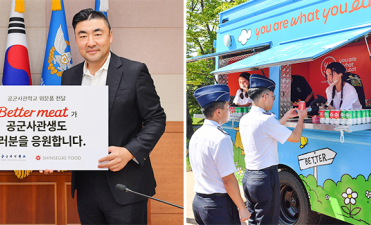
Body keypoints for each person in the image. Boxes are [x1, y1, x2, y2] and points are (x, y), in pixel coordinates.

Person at [55, 8, 165, 224]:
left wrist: (129, 152)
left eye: (97, 34)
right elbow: (67, 123)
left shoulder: (134, 71)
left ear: (110, 36)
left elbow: (156, 119)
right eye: (83, 35)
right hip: (85, 186)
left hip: (125, 185)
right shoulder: (69, 76)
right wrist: (53, 155)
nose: (91, 42)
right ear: (76, 39)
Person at [239, 74, 307, 225]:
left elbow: (269, 131)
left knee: (254, 221)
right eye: (272, 96)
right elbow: (295, 137)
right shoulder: (266, 120)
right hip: (265, 178)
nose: (272, 99)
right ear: (264, 96)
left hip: (249, 177)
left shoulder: (245, 119)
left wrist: (286, 117)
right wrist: (301, 118)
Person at [190, 84, 251, 225]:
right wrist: (242, 207)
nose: (230, 110)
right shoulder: (221, 138)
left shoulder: (197, 134)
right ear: (218, 112)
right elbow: (228, 180)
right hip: (217, 205)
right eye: (227, 107)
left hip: (199, 202)